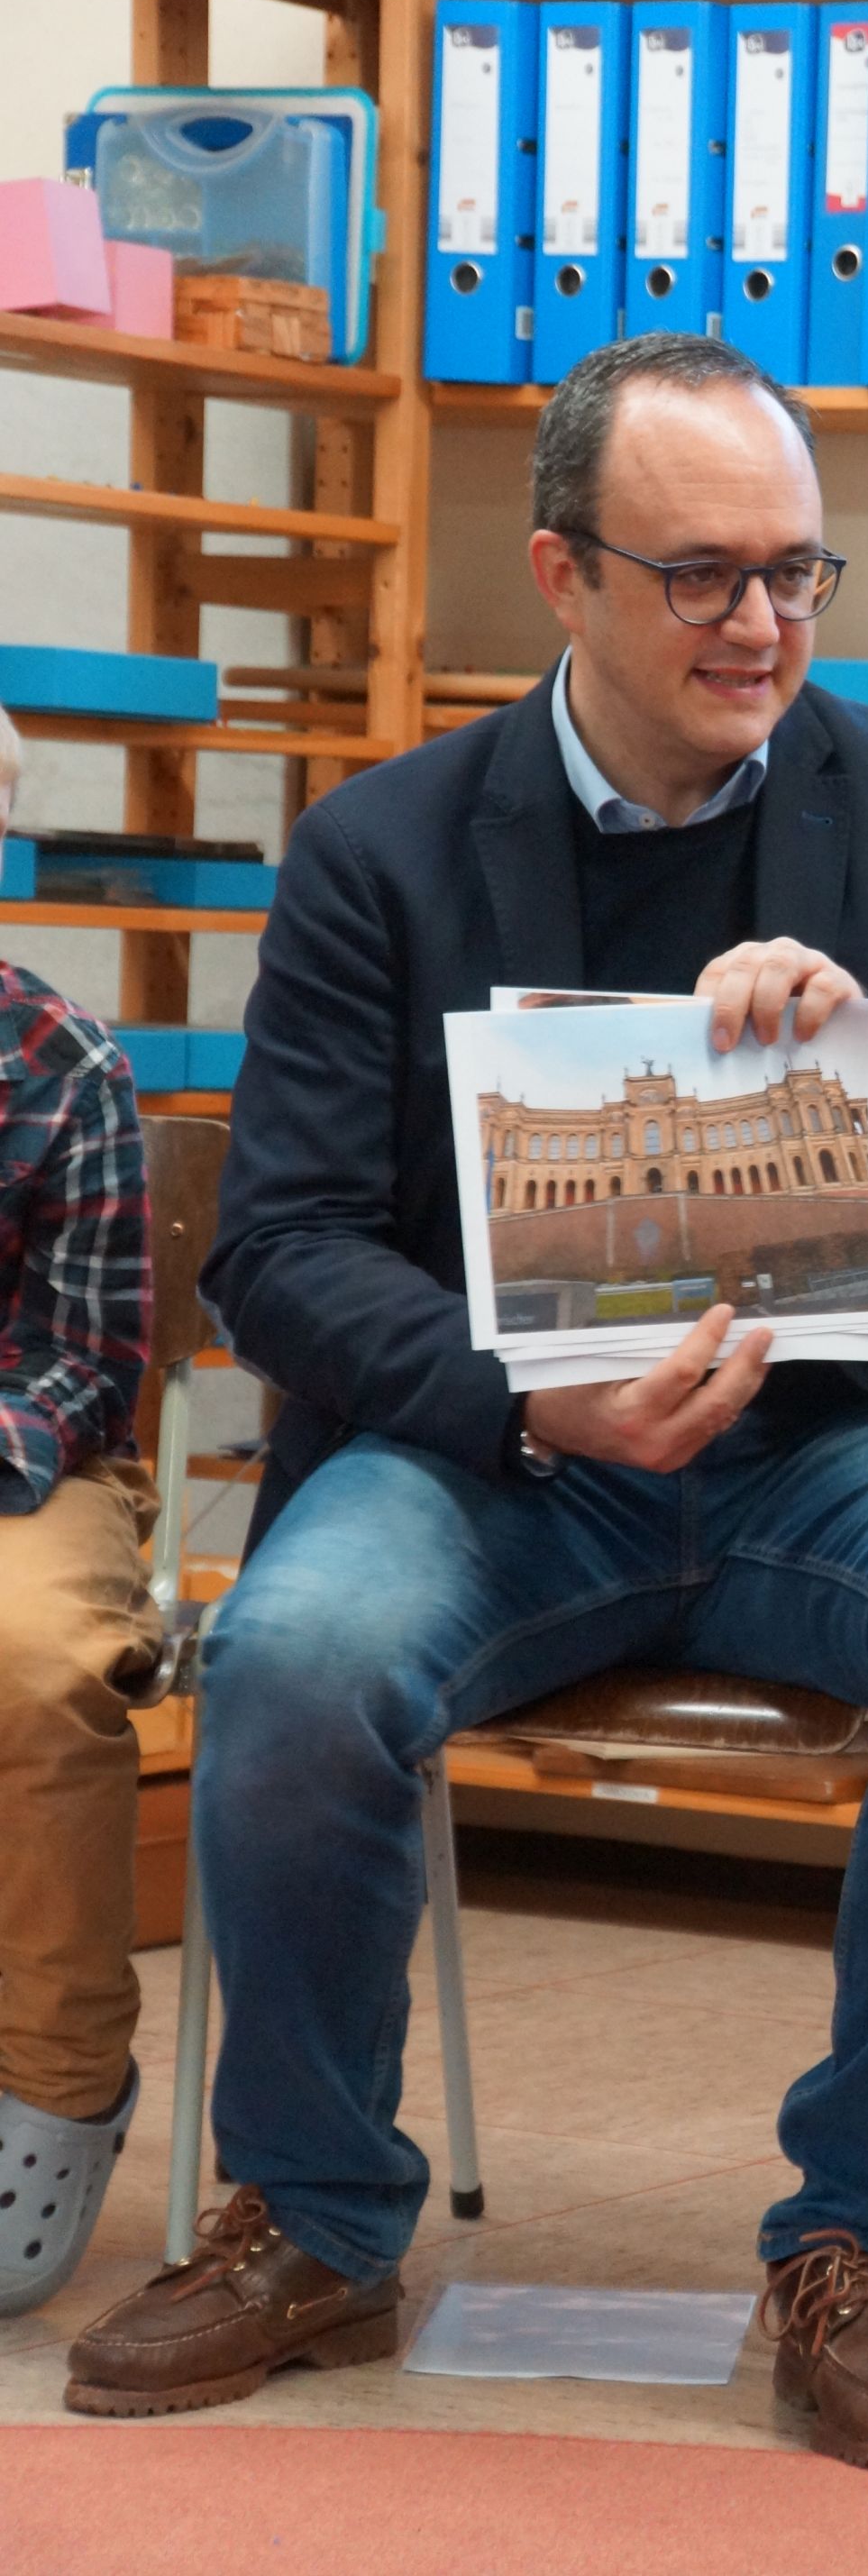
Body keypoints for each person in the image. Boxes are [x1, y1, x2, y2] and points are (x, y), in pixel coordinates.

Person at [67, 333, 868, 2460]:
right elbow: (280, 1248)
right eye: (701, 576)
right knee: (293, 1640)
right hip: (502, 1459)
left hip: (852, 1449)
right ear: (561, 575)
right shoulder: (381, 845)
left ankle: (854, 2237)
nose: (761, 623)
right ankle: (307, 2213)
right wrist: (518, 1407)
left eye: (797, 572)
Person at [0, 700, 159, 2319]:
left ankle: (52, 2080)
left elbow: (81, 1359)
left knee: (33, 1668)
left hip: (29, 1464)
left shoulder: (58, 1056)